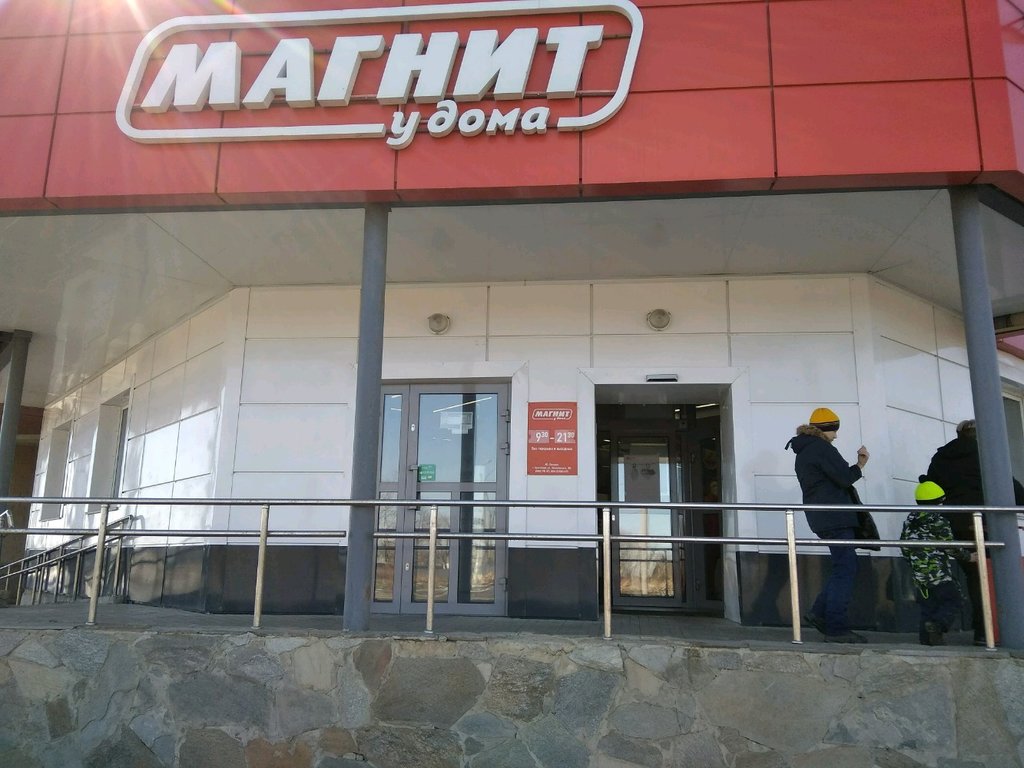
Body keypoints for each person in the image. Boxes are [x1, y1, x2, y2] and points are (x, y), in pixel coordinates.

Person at [924, 418, 1024, 644]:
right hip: (986, 523)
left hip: (956, 523)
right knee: (996, 576)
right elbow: (1010, 487)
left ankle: (981, 631)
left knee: (975, 577)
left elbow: (931, 487)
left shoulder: (941, 457)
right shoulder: (987, 454)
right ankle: (996, 631)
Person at [786, 407, 870, 643]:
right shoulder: (822, 448)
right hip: (836, 517)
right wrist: (860, 465)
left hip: (822, 517)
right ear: (827, 428)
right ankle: (836, 627)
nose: (836, 435)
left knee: (842, 567)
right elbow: (844, 478)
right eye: (835, 430)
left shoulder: (804, 450)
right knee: (846, 569)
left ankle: (819, 613)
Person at [900, 480, 973, 646]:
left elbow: (904, 546)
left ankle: (926, 639)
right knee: (954, 600)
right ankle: (938, 625)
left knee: (928, 607)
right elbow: (950, 546)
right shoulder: (939, 521)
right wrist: (968, 556)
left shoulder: (910, 521)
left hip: (919, 575)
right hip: (938, 572)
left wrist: (915, 564)